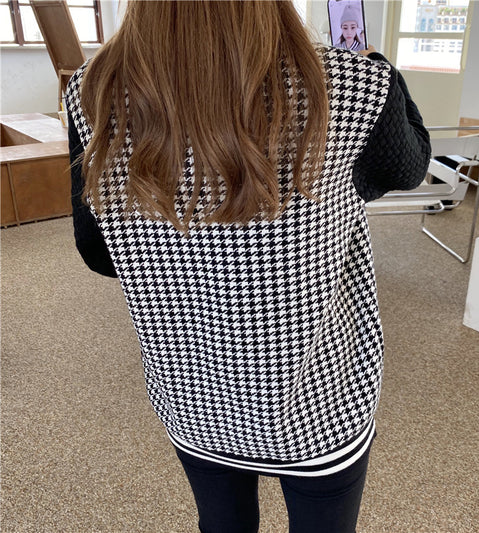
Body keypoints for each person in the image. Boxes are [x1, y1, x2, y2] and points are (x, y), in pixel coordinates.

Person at [65, 1, 430, 532]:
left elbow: (99, 252)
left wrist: (180, 241)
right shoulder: (358, 81)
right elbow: (408, 168)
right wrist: (382, 72)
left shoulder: (93, 90)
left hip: (192, 395)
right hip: (321, 401)